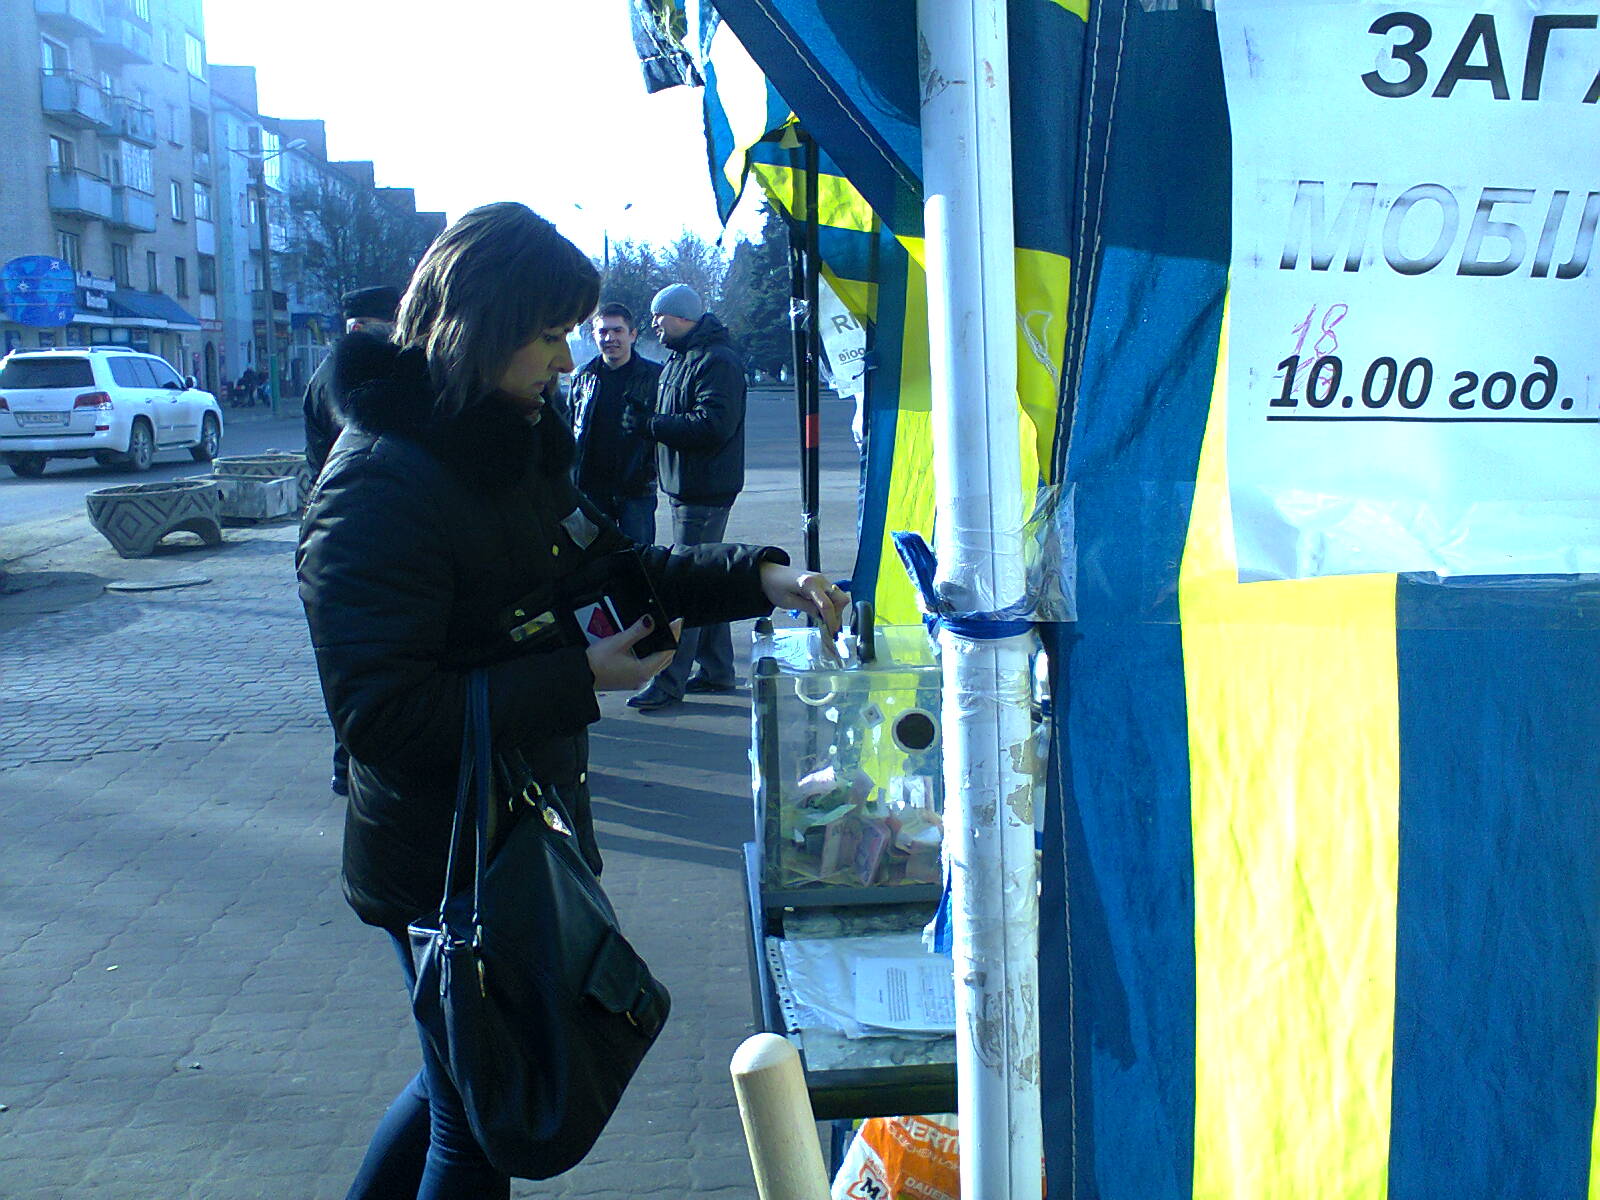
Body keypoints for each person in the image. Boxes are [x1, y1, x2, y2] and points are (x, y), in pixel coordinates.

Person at [295, 202, 846, 1198]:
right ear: (481, 329)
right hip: (443, 860)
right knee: (482, 1124)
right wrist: (579, 678)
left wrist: (764, 578)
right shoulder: (376, 482)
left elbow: (617, 565)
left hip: (508, 830)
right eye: (549, 335)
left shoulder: (509, 439)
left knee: (453, 1087)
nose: (566, 359)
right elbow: (378, 716)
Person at [622, 283, 749, 712]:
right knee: (705, 576)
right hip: (687, 487)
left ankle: (669, 680)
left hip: (704, 490)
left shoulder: (717, 360)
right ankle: (717, 669)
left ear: (680, 317)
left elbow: (713, 425)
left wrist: (652, 425)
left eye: (659, 317)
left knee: (686, 583)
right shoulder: (683, 358)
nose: (654, 324)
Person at [302, 285, 402, 798]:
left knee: (347, 660)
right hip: (366, 536)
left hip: (330, 538)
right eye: (391, 327)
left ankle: (348, 761)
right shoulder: (363, 380)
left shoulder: (323, 376)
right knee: (371, 658)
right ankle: (355, 763)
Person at [565, 302, 662, 544]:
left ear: (632, 335)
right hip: (590, 489)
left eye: (618, 330)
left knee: (638, 559)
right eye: (603, 332)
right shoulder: (582, 376)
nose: (610, 338)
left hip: (636, 489)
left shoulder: (656, 377)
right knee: (593, 558)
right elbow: (569, 427)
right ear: (594, 335)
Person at [304, 287, 403, 479]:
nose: (397, 337)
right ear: (357, 329)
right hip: (359, 487)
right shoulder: (366, 375)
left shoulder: (322, 376)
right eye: (390, 327)